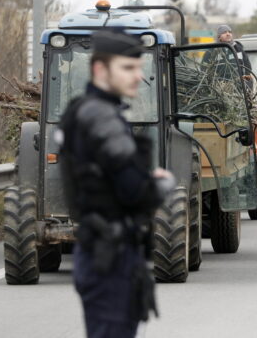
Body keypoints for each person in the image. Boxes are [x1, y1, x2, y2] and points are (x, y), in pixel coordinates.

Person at [59, 29, 174, 337]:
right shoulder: (103, 118)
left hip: (103, 251)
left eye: (139, 67)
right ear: (100, 69)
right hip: (111, 257)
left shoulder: (83, 110)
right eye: (127, 68)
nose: (138, 76)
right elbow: (134, 190)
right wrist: (159, 185)